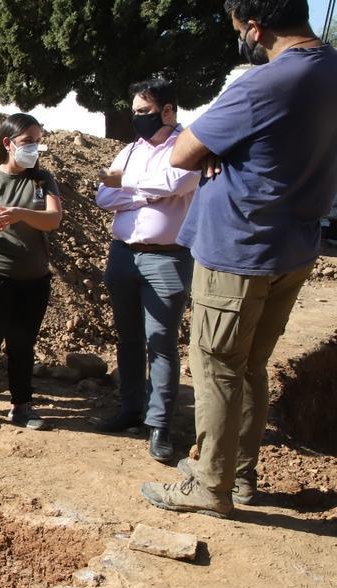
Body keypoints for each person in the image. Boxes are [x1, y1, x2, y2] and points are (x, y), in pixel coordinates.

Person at [141, 0, 337, 517]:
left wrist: (217, 154)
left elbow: (184, 152)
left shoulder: (264, 83)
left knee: (216, 367)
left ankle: (211, 485)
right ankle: (236, 475)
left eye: (239, 31)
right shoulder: (330, 69)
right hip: (293, 246)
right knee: (250, 365)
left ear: (256, 28)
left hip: (241, 249)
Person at [95, 79, 201, 462]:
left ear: (167, 110)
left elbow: (180, 180)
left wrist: (128, 190)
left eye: (144, 112)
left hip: (168, 258)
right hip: (123, 254)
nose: (136, 118)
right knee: (127, 339)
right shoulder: (129, 151)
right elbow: (103, 195)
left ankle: (160, 424)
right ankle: (130, 410)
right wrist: (146, 191)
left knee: (161, 341)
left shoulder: (188, 147)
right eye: (135, 111)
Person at [0, 113, 63, 429]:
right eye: (27, 141)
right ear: (8, 143)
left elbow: (53, 219)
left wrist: (20, 213)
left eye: (37, 140)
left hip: (33, 278)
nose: (34, 147)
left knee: (22, 344)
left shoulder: (42, 179)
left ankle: (21, 405)